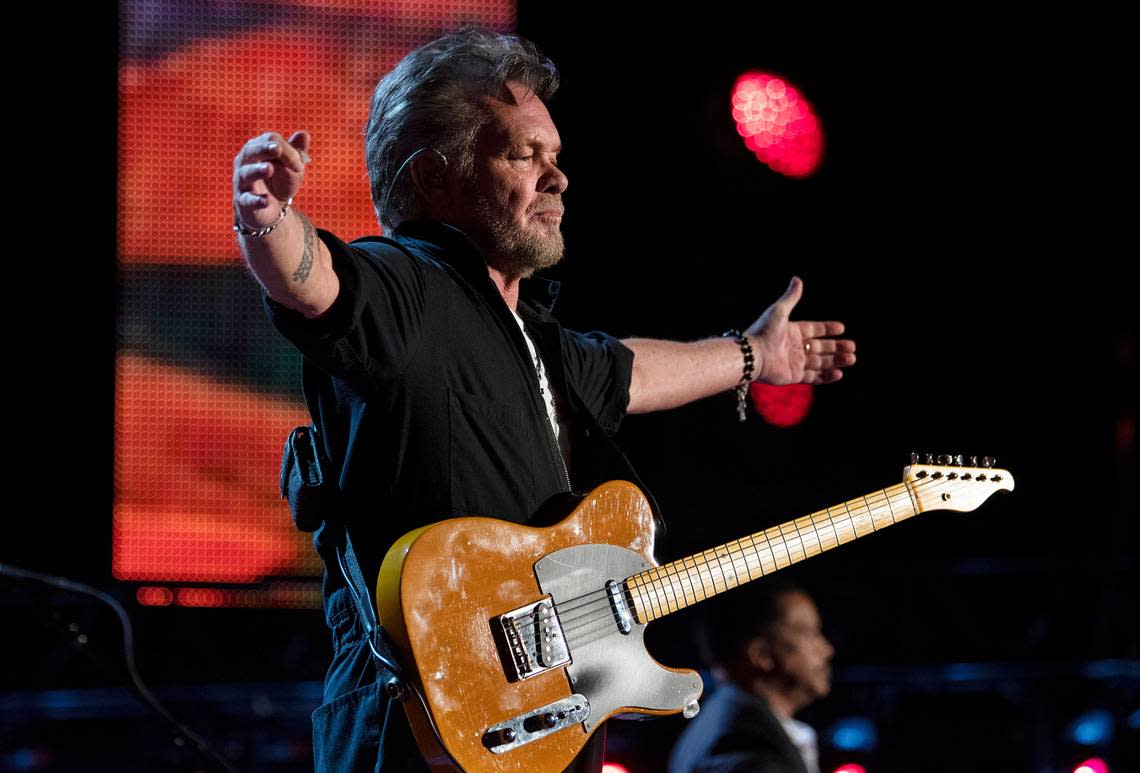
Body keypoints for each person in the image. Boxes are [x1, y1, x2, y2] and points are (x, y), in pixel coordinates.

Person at [231, 28, 855, 773]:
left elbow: (631, 372)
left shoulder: (535, 340)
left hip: (538, 727)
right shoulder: (405, 284)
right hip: (423, 732)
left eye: (555, 157)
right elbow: (313, 279)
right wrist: (264, 216)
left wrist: (754, 355)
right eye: (523, 154)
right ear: (434, 177)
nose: (557, 178)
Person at [668, 581, 834, 773]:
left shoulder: (733, 724)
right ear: (760, 654)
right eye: (809, 633)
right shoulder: (741, 742)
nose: (827, 650)